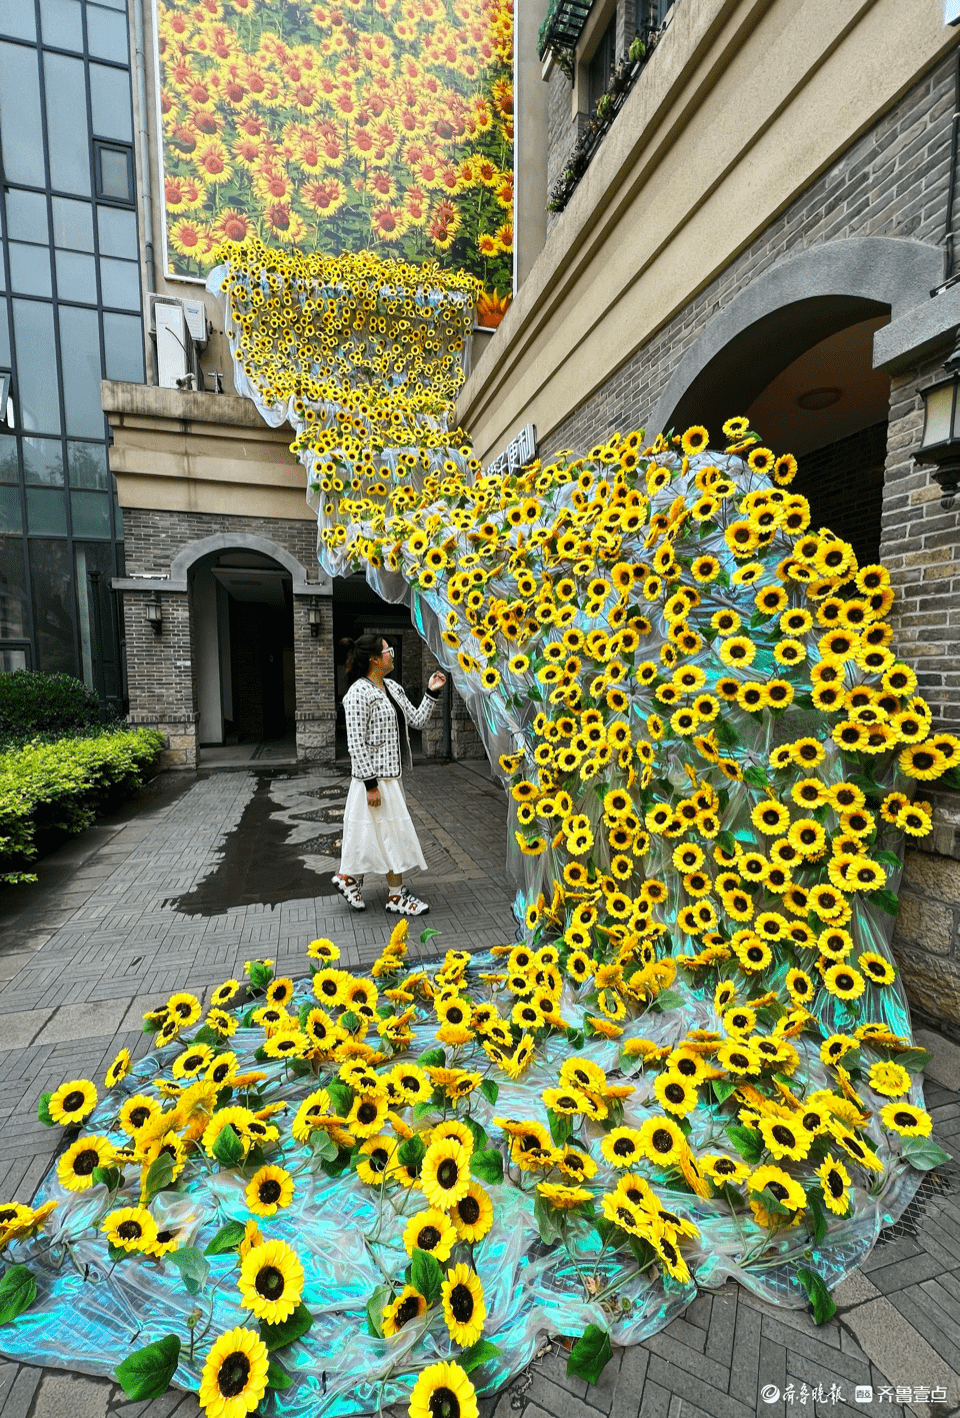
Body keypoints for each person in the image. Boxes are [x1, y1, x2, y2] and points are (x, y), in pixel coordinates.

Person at [333, 633, 446, 916]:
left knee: (373, 835)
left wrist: (431, 692)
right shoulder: (357, 693)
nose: (392, 655)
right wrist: (371, 785)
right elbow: (355, 744)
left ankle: (350, 879)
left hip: (390, 778)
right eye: (387, 651)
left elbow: (417, 720)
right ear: (374, 659)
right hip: (373, 780)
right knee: (391, 835)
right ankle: (395, 896)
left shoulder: (392, 688)